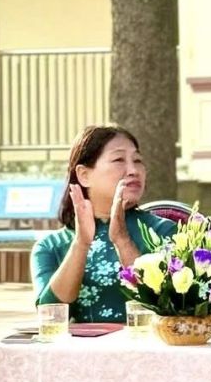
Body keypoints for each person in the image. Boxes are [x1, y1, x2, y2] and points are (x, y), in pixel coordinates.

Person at [32, 124, 177, 322]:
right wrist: (81, 244)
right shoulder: (50, 246)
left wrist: (122, 240)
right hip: (79, 343)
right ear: (84, 175)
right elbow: (50, 315)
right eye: (119, 160)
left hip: (146, 342)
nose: (133, 170)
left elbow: (171, 305)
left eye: (137, 160)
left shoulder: (163, 232)